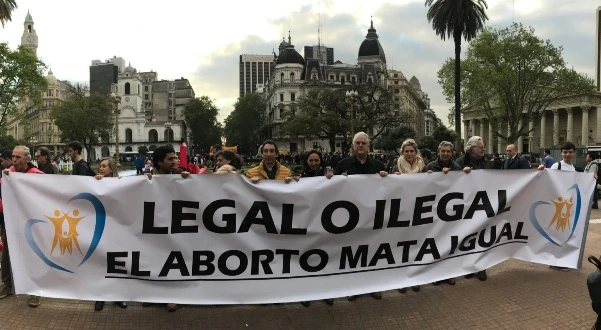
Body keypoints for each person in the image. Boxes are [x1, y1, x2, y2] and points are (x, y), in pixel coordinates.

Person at [336, 132, 386, 301]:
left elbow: (388, 189)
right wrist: (337, 180)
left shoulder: (379, 165)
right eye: (357, 143)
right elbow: (331, 190)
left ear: (368, 145)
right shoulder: (342, 165)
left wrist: (387, 178)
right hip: (350, 218)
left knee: (372, 251)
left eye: (363, 143)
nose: (360, 146)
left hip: (372, 217)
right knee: (352, 253)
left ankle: (373, 286)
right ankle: (353, 287)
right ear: (352, 146)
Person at [142, 145, 189, 312]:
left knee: (171, 262)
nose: (175, 161)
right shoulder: (146, 178)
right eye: (170, 159)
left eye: (175, 157)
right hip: (153, 227)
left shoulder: (179, 176)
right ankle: (152, 294)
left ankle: (170, 295)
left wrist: (189, 180)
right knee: (153, 260)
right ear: (159, 162)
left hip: (173, 227)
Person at [0, 146, 44, 308]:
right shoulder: (7, 174)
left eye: (18, 157)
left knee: (33, 254)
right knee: (6, 254)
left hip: (31, 223)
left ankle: (35, 290)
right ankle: (7, 285)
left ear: (27, 158)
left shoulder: (38, 176)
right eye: (13, 156)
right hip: (10, 221)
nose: (15, 160)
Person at [299, 150, 334, 307]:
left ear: (321, 161)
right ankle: (307, 292)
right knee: (307, 259)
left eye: (316, 160)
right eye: (311, 160)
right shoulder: (300, 177)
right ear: (307, 162)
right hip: (307, 223)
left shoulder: (329, 176)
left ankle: (325, 292)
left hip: (324, 223)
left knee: (325, 259)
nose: (314, 163)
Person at [93, 157, 128, 311]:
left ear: (112, 169)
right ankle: (100, 296)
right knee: (101, 264)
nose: (101, 169)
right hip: (101, 229)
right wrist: (95, 182)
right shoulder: (94, 182)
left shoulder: (121, 182)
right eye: (100, 166)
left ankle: (118, 296)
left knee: (117, 264)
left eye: (104, 166)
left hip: (118, 231)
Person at [457, 136, 492, 281]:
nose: (483, 149)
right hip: (467, 206)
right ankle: (469, 267)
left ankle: (481, 267)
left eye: (483, 146)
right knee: (468, 238)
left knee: (483, 237)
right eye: (480, 147)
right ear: (471, 149)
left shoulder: (488, 163)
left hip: (483, 205)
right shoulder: (459, 163)